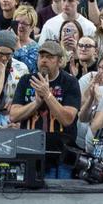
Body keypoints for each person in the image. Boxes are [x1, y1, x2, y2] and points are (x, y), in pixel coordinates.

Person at [9, 40, 81, 177]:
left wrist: (48, 95)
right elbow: (13, 115)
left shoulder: (70, 82)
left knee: (60, 197)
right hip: (30, 151)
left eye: (50, 57)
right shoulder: (26, 80)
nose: (44, 60)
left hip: (61, 153)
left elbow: (67, 119)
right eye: (41, 56)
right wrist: (36, 103)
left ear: (60, 61)